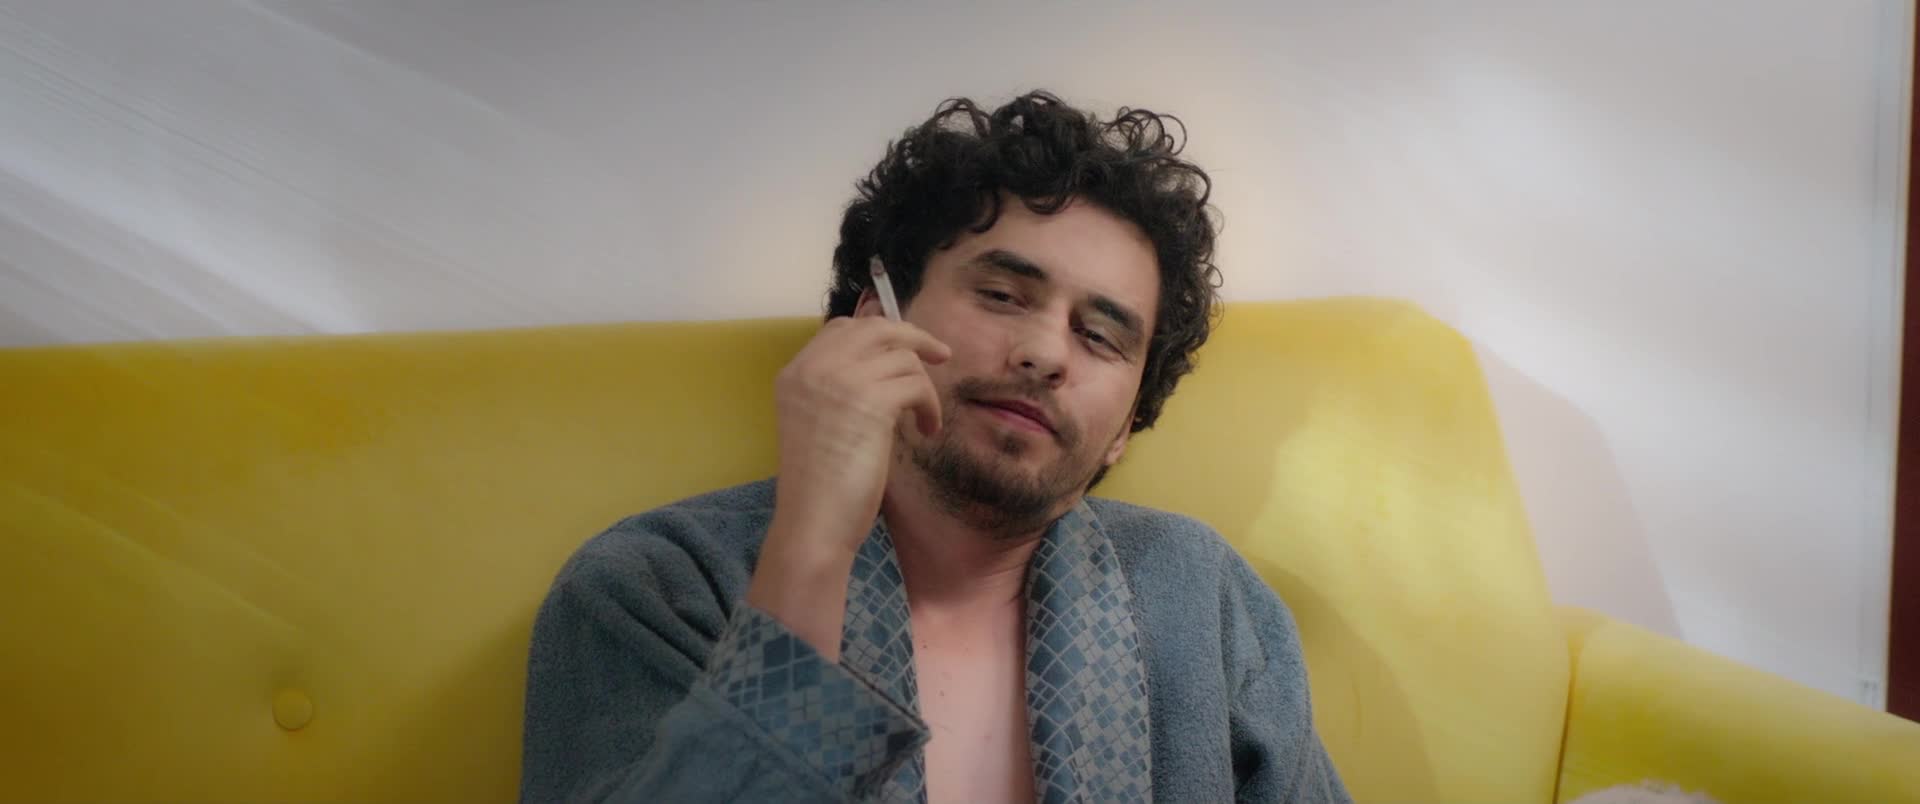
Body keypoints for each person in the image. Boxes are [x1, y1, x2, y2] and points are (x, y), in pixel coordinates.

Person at [518, 90, 1350, 803]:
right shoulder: (655, 587)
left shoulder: (1202, 597)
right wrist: (812, 548)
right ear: (875, 319)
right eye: (1001, 294)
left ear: (1124, 430)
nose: (1045, 353)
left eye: (1100, 337)